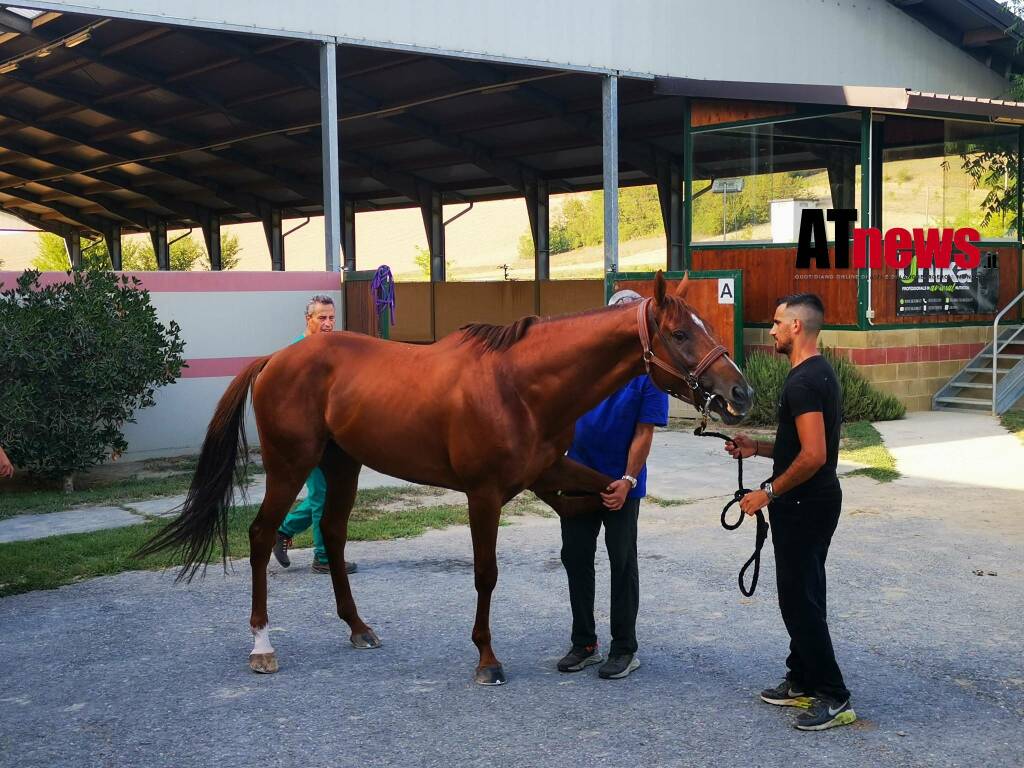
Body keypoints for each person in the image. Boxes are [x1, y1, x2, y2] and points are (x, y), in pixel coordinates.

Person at [725, 293, 855, 731]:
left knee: (800, 602)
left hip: (804, 504)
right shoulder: (816, 373)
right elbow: (799, 448)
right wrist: (756, 447)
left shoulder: (802, 382)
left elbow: (814, 455)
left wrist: (767, 492)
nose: (772, 329)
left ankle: (833, 695)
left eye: (778, 322)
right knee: (804, 594)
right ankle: (801, 678)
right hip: (812, 501)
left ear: (797, 327)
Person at [556, 289, 669, 680]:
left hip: (622, 484)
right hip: (577, 479)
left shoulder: (648, 374)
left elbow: (644, 432)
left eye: (630, 313)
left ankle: (624, 648)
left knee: (622, 563)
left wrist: (628, 479)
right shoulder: (582, 366)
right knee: (575, 558)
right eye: (616, 312)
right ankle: (584, 643)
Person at [272, 295, 357, 575]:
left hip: (333, 436)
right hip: (308, 437)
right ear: (308, 319)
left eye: (332, 317)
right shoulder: (296, 353)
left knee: (330, 492)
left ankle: (283, 530)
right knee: (322, 493)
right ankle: (323, 557)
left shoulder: (333, 350)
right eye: (322, 318)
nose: (328, 323)